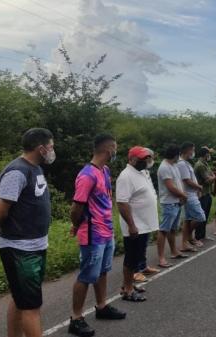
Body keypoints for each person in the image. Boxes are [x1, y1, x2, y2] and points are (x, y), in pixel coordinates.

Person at [0, 128, 54, 337]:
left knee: (20, 298)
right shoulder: (17, 172)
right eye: (51, 146)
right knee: (31, 307)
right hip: (20, 249)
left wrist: (1, 224)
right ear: (41, 148)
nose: (52, 150)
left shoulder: (35, 168)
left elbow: (17, 207)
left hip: (35, 245)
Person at [69, 134, 126, 337]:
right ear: (108, 149)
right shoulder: (87, 175)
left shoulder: (105, 170)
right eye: (115, 148)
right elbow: (76, 207)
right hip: (92, 233)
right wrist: (76, 225)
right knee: (87, 275)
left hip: (106, 230)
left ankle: (102, 307)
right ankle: (76, 318)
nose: (116, 152)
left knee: (102, 271)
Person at [116, 146, 159, 303]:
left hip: (143, 224)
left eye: (147, 158)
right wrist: (132, 225)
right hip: (135, 225)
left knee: (136, 257)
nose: (146, 161)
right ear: (132, 159)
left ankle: (128, 285)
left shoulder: (141, 173)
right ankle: (127, 290)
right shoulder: (126, 176)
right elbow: (122, 203)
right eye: (143, 159)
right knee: (131, 258)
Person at [157, 144, 189, 267]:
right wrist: (184, 195)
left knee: (173, 229)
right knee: (164, 230)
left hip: (176, 201)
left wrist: (181, 195)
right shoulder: (164, 167)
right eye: (178, 155)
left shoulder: (173, 165)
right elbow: (170, 187)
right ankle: (161, 258)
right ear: (175, 155)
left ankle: (174, 251)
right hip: (168, 203)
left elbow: (177, 182)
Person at [176, 142, 206, 251]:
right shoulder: (181, 164)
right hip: (188, 195)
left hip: (191, 194)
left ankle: (186, 242)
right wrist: (199, 187)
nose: (193, 152)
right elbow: (186, 180)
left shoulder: (186, 163)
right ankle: (187, 238)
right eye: (192, 150)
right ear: (186, 150)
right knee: (200, 217)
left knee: (188, 219)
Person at [194, 146, 216, 241]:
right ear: (205, 154)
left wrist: (212, 177)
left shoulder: (205, 163)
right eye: (208, 153)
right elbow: (208, 180)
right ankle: (198, 237)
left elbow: (211, 176)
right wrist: (213, 177)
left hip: (207, 192)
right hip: (202, 193)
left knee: (205, 215)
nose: (209, 155)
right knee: (201, 216)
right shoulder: (200, 165)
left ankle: (203, 235)